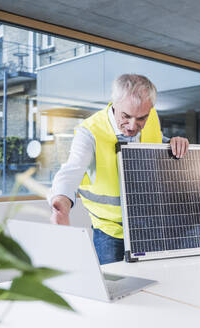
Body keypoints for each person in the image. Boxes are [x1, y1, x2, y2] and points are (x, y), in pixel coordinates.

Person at [48, 74, 189, 265]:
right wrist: (61, 205)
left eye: (141, 118)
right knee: (112, 286)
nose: (133, 126)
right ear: (114, 104)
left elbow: (156, 141)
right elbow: (71, 170)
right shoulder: (89, 131)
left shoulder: (153, 117)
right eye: (126, 116)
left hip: (147, 225)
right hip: (109, 230)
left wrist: (173, 142)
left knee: (153, 282)